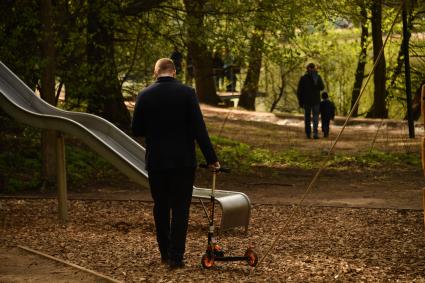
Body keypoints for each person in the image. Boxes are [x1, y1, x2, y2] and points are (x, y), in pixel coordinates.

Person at [131, 58, 220, 268]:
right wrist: (211, 159)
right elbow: (199, 129)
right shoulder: (187, 93)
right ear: (174, 72)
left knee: (161, 207)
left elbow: (137, 130)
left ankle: (164, 253)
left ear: (156, 73)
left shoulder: (144, 95)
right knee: (181, 209)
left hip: (157, 161)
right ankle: (176, 257)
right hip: (182, 161)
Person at [297, 63, 325, 139]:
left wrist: (300, 101)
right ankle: (315, 133)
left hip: (307, 101)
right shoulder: (318, 77)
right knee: (315, 117)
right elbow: (322, 87)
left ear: (307, 68)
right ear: (313, 68)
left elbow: (299, 91)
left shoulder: (303, 78)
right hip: (315, 101)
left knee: (307, 118)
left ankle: (308, 133)